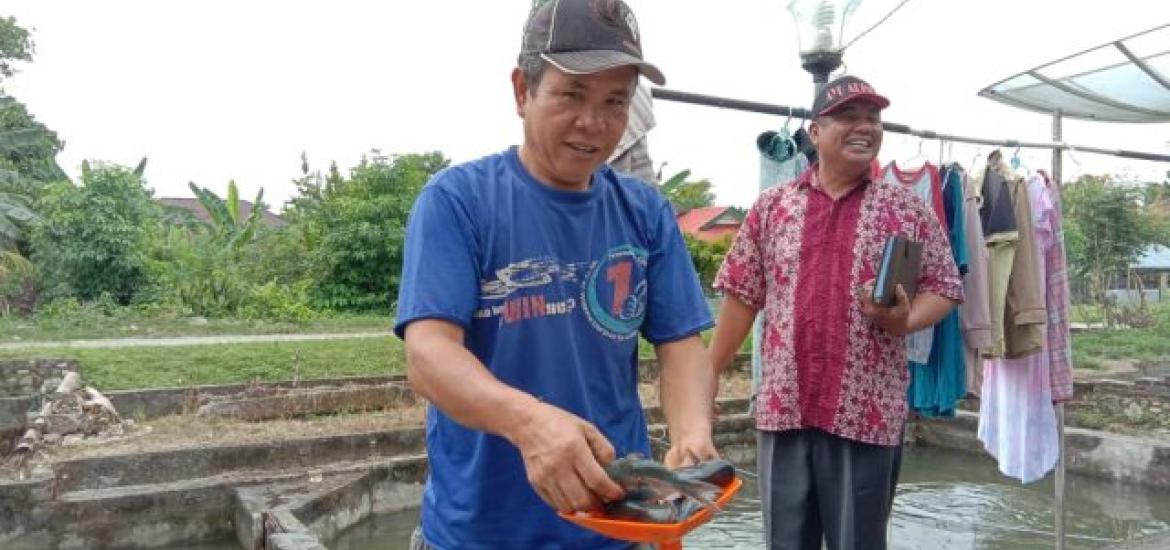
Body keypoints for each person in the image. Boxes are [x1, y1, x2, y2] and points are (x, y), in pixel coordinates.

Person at [395, 1, 718, 548]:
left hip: (616, 525)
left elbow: (681, 344)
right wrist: (528, 422)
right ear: (523, 91)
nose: (595, 123)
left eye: (615, 101)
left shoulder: (645, 212)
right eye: (573, 95)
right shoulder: (458, 201)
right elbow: (429, 357)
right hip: (480, 532)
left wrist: (691, 433)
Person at [708, 75, 962, 550]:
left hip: (865, 412)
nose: (865, 127)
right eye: (849, 117)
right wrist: (711, 372)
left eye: (874, 118)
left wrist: (903, 320)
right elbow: (743, 294)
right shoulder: (773, 208)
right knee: (786, 542)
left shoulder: (906, 210)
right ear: (815, 131)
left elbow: (944, 287)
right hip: (786, 407)